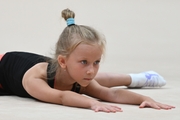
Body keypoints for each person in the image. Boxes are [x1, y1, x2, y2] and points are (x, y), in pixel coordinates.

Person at [0, 8, 175, 113]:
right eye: (84, 62)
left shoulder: (74, 70)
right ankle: (137, 78)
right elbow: (61, 97)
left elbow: (110, 94)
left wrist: (145, 98)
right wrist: (91, 102)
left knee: (92, 80)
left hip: (57, 71)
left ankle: (138, 78)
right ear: (62, 61)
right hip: (4, 67)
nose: (92, 69)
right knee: (92, 79)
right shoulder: (36, 79)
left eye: (96, 62)